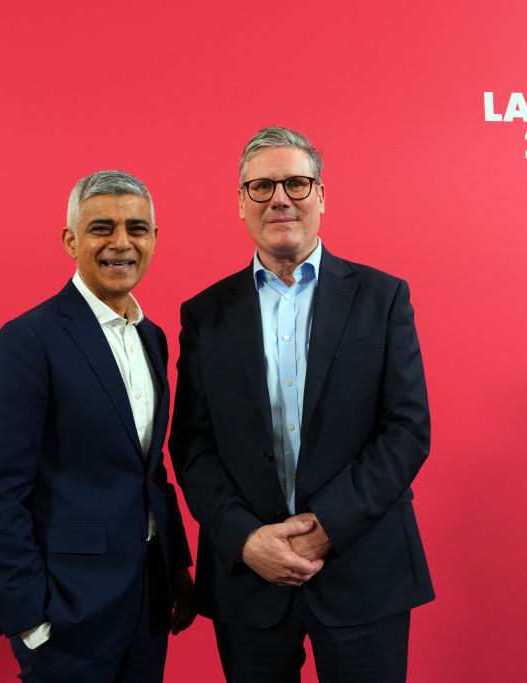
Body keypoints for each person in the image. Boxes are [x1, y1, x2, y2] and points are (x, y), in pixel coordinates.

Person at [169, 127, 434, 682]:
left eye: (296, 182)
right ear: (241, 203)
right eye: (261, 187)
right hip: (249, 580)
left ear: (321, 196)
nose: (280, 198)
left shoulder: (383, 298)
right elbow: (193, 446)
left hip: (363, 570)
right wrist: (244, 539)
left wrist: (328, 526)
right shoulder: (204, 314)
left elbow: (406, 430)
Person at [0, 170, 195, 682]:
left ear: (154, 241)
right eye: (101, 228)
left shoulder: (154, 338)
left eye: (137, 228)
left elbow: (150, 469)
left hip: (148, 603)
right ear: (71, 240)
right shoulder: (28, 341)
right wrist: (30, 620)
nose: (121, 242)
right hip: (68, 613)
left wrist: (175, 566)